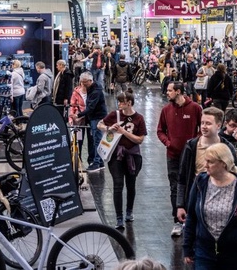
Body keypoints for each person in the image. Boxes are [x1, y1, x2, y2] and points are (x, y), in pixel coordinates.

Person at [183, 143, 237, 270]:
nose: (205, 165)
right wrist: (187, 247)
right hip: (204, 251)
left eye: (210, 162)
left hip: (234, 253)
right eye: (205, 161)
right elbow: (191, 217)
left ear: (223, 163)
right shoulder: (200, 183)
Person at [156, 81, 202, 237]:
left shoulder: (195, 108)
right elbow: (160, 131)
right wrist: (168, 143)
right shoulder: (166, 110)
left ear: (178, 91)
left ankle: (191, 220)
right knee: (174, 188)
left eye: (169, 90)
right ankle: (177, 220)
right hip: (173, 156)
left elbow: (202, 128)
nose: (167, 93)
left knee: (191, 186)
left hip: (191, 156)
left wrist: (196, 143)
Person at [176, 108, 237, 226]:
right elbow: (182, 177)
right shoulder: (191, 146)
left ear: (218, 125)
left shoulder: (227, 147)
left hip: (222, 199)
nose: (203, 126)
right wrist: (180, 205)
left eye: (208, 123)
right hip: (197, 197)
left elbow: (235, 174)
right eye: (202, 123)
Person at [98, 89, 147, 229]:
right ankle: (119, 217)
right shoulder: (115, 115)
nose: (119, 104)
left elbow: (140, 139)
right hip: (116, 156)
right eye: (119, 102)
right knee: (118, 185)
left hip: (133, 156)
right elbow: (99, 124)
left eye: (121, 102)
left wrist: (123, 132)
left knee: (131, 185)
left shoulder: (139, 118)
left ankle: (129, 211)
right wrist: (108, 128)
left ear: (129, 103)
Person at [72, 72, 107, 172]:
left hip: (97, 118)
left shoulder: (96, 91)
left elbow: (91, 107)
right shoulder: (92, 88)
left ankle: (96, 163)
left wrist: (78, 115)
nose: (83, 84)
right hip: (94, 118)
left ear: (90, 81)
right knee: (96, 140)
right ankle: (99, 162)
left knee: (97, 140)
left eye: (84, 82)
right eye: (82, 82)